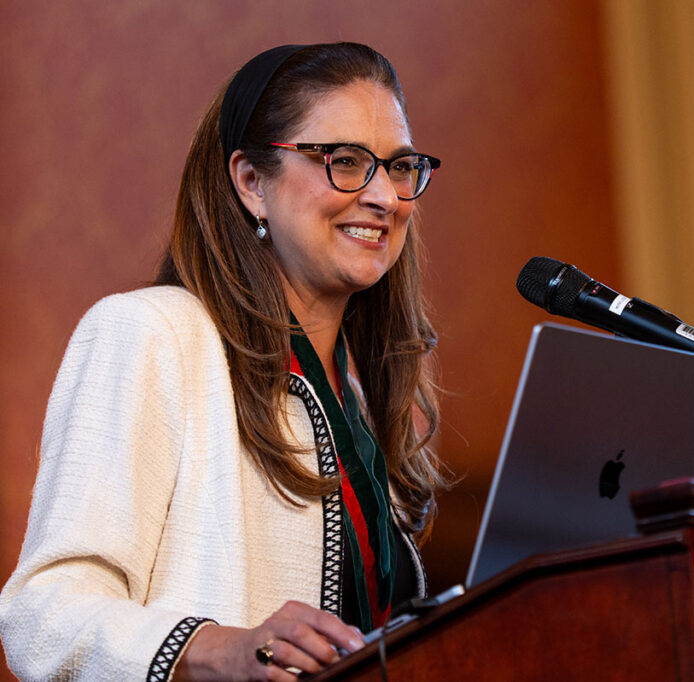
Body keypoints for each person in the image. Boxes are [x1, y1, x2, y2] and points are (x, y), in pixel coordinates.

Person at [0, 42, 448, 681]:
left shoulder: (361, 388)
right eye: (345, 161)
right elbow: (42, 617)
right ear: (250, 182)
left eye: (400, 166)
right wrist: (220, 649)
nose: (384, 196)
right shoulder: (148, 334)